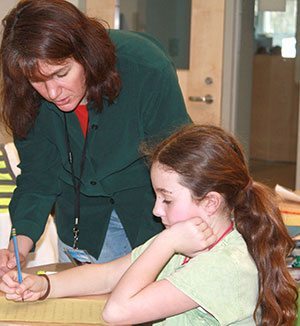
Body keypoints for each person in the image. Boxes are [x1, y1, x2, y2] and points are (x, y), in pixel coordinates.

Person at [1, 124, 297, 325]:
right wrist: (44, 285)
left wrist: (164, 243)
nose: (156, 210)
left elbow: (117, 311)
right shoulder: (185, 242)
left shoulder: (224, 265)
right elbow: (108, 275)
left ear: (210, 202)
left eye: (167, 199)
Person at [0, 0, 191, 274]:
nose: (52, 92)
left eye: (61, 73)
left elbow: (180, 164)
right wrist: (17, 245)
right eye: (38, 81)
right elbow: (38, 178)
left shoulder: (146, 68)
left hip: (150, 214)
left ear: (86, 54)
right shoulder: (26, 96)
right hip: (82, 223)